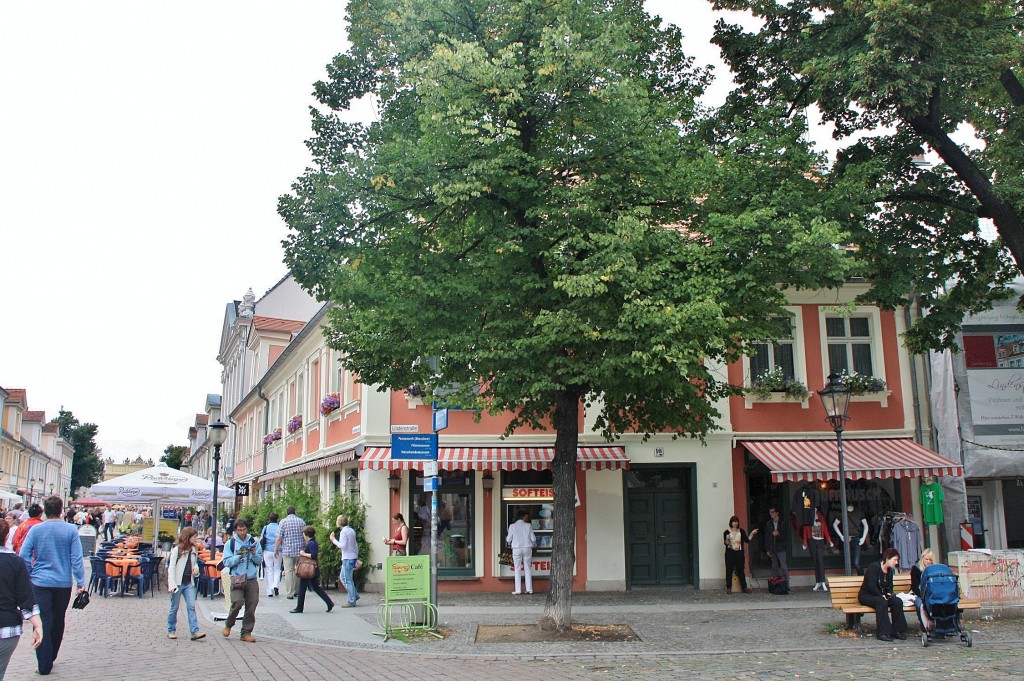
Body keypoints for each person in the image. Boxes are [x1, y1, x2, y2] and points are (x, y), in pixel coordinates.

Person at [19, 496, 87, 676]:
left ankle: (44, 662)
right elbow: (76, 559)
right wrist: (81, 582)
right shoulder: (71, 530)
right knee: (58, 620)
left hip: (40, 582)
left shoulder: (36, 530)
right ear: (61, 510)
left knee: (42, 621)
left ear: (45, 510)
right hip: (63, 583)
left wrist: (30, 574)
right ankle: (51, 656)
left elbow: (24, 555)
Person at [0, 518, 44, 679]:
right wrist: (38, 626)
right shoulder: (15, 562)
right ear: (7, 538)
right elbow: (26, 599)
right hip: (7, 630)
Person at [221, 518, 262, 643]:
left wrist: (254, 554)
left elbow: (259, 561)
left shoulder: (254, 541)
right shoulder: (231, 543)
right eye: (239, 530)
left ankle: (246, 632)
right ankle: (229, 623)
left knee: (252, 604)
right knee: (237, 602)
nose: (242, 532)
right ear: (235, 530)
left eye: (244, 529)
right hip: (237, 577)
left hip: (251, 578)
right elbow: (226, 562)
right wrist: (239, 556)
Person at [859, 547, 909, 642]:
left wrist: (889, 594)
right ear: (887, 558)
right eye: (894, 560)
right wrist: (881, 595)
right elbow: (871, 585)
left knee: (897, 601)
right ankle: (883, 632)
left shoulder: (889, 571)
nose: (896, 563)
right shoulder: (874, 567)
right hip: (867, 595)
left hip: (882, 595)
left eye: (897, 561)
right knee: (882, 603)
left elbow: (890, 586)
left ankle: (897, 630)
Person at [166, 527, 206, 641]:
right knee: (174, 607)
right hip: (178, 583)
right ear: (188, 537)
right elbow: (172, 567)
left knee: (191, 606)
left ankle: (195, 631)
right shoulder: (177, 550)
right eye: (194, 537)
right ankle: (171, 630)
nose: (196, 539)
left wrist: (196, 570)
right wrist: (172, 584)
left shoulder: (194, 549)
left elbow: (195, 563)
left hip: (189, 582)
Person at [289, 526, 334, 614]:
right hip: (312, 569)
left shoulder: (311, 543)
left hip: (308, 569)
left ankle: (299, 607)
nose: (303, 536)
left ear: (307, 535)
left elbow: (313, 555)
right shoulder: (313, 542)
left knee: (302, 588)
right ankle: (329, 603)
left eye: (303, 535)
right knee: (316, 587)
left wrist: (303, 553)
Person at [275, 506, 306, 600]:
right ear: (294, 512)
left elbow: (279, 537)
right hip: (300, 550)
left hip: (287, 551)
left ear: (287, 512)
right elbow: (305, 536)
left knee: (288, 571)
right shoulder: (301, 521)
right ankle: (297, 591)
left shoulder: (283, 522)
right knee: (298, 570)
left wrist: (276, 549)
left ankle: (290, 593)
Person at [723, 516, 758, 594]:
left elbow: (747, 540)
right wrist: (727, 538)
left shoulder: (741, 531)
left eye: (736, 521)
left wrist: (752, 533)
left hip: (739, 552)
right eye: (733, 521)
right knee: (729, 570)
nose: (735, 523)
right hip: (730, 553)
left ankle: (744, 587)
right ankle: (728, 588)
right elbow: (726, 543)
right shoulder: (726, 532)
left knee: (741, 570)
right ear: (731, 522)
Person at [832, 505, 870, 576]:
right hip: (846, 539)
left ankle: (861, 578)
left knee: (856, 562)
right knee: (847, 562)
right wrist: (841, 536)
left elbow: (866, 525)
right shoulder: (842, 513)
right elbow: (834, 524)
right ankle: (850, 579)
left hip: (857, 539)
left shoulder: (859, 512)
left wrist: (863, 538)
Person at [506, 511, 537, 595]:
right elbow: (533, 539)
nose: (527, 519)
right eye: (526, 517)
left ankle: (518, 590)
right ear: (523, 517)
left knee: (517, 569)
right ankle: (529, 589)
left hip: (516, 548)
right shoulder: (528, 526)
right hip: (527, 548)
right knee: (527, 568)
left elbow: (508, 539)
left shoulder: (512, 526)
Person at [331, 515, 359, 608]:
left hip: (347, 557)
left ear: (339, 522)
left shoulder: (344, 532)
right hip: (352, 556)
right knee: (344, 578)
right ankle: (354, 595)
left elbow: (342, 545)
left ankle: (352, 600)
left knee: (347, 580)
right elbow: (355, 545)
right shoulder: (351, 530)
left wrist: (333, 540)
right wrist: (356, 555)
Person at [803, 509, 833, 591]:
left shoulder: (821, 517)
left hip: (820, 540)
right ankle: (818, 581)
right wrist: (805, 542)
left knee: (820, 560)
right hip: (812, 540)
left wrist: (829, 540)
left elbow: (825, 529)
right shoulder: (808, 518)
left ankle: (822, 581)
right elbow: (805, 530)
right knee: (815, 561)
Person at [910, 548, 935, 630]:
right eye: (926, 559)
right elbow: (914, 587)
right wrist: (923, 596)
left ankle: (937, 624)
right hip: (919, 593)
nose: (928, 562)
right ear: (922, 558)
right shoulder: (916, 568)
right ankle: (923, 627)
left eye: (930, 560)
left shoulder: (934, 569)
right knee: (919, 604)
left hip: (932, 593)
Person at [762, 506, 789, 582]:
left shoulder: (782, 523)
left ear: (777, 513)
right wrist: (767, 549)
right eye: (770, 512)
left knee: (783, 566)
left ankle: (786, 585)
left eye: (772, 512)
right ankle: (775, 584)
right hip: (772, 548)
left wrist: (778, 534)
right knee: (774, 567)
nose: (771, 514)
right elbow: (767, 537)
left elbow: (784, 537)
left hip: (781, 548)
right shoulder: (768, 524)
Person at [260, 513, 281, 598]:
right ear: (277, 519)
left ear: (269, 519)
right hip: (278, 550)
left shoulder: (266, 528)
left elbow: (262, 539)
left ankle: (269, 591)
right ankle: (275, 585)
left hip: (267, 550)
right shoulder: (279, 527)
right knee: (277, 568)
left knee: (269, 569)